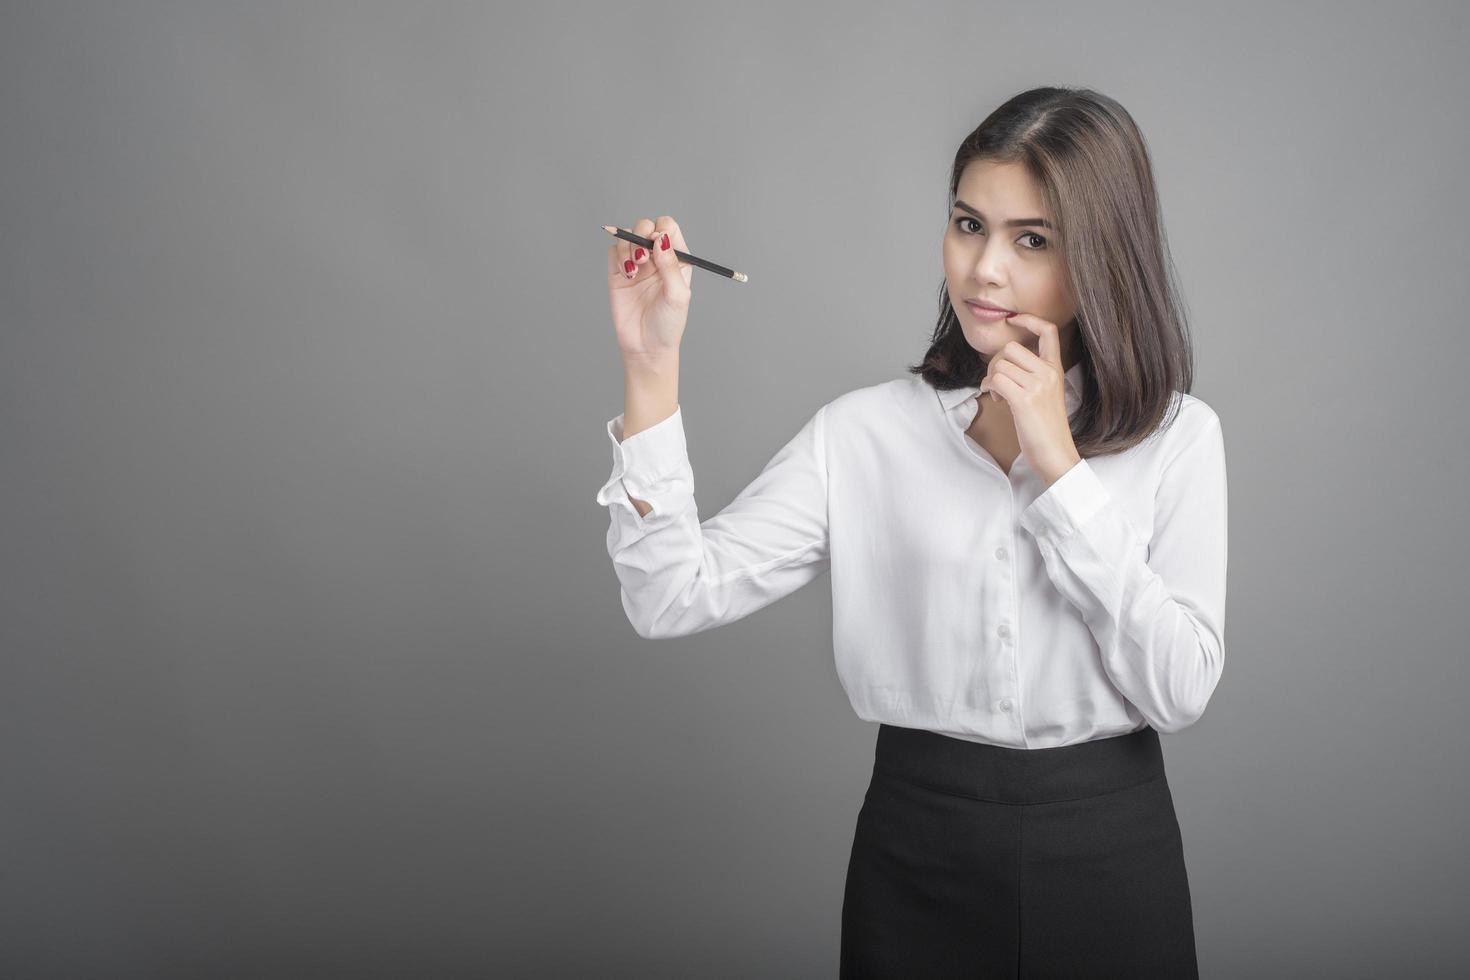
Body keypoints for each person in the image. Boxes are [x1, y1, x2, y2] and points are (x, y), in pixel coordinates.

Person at [594, 85, 1225, 979]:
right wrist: (650, 365)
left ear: (1103, 260)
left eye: (1031, 240)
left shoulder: (1179, 437)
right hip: (916, 854)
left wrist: (1062, 468)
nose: (985, 269)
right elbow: (668, 597)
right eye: (969, 225)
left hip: (1112, 857)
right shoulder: (863, 434)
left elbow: (1181, 690)